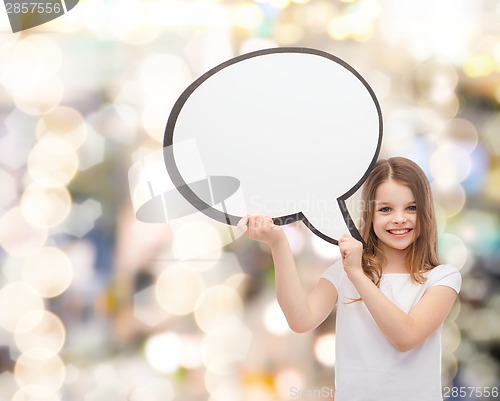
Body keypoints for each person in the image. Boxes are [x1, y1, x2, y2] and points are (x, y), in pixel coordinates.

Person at [237, 157, 461, 401]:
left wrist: (357, 274)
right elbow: (300, 320)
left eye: (411, 208)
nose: (399, 218)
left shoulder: (441, 278)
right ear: (370, 214)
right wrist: (277, 241)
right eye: (385, 209)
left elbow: (406, 337)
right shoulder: (343, 271)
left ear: (426, 212)